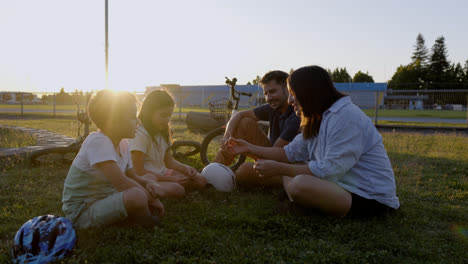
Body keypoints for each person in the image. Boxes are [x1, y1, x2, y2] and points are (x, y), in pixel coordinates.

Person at [227, 66, 400, 217]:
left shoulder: (345, 117)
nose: (290, 100)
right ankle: (298, 198)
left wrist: (280, 169)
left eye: (293, 94)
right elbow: (287, 153)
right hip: (339, 185)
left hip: (369, 197)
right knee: (284, 173)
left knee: (300, 184)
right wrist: (248, 147)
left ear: (309, 92)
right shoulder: (317, 118)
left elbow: (330, 171)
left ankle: (297, 198)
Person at [62, 90, 164, 229]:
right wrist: (152, 199)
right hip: (82, 211)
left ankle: (136, 210)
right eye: (133, 117)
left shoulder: (123, 144)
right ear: (115, 121)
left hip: (103, 197)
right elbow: (121, 183)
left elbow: (131, 175)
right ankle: (148, 222)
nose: (138, 121)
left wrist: (146, 182)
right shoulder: (98, 142)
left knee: (148, 179)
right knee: (137, 196)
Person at [215, 70, 301, 187]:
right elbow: (239, 115)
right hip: (274, 154)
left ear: (287, 89)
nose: (269, 98)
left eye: (273, 91)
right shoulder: (274, 107)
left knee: (244, 172)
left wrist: (248, 148)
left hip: (286, 163)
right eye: (266, 94)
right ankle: (214, 169)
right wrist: (227, 136)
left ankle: (286, 181)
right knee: (245, 122)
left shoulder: (296, 114)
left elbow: (278, 153)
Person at [129, 90, 206, 195]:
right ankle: (154, 191)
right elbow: (139, 171)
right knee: (178, 189)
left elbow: (169, 162)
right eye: (163, 115)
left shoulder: (163, 131)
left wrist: (185, 168)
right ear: (149, 112)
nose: (167, 119)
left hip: (163, 173)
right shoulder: (140, 134)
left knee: (200, 179)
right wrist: (170, 179)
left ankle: (178, 188)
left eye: (169, 115)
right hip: (148, 178)